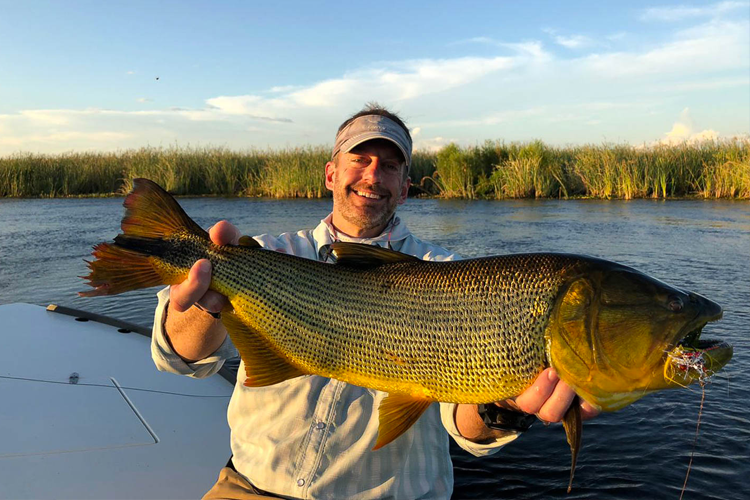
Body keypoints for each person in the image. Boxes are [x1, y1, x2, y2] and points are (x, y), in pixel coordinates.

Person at [151, 104, 599, 499]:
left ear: (404, 187)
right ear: (331, 173)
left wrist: (503, 408)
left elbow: (465, 431)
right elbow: (181, 359)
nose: (372, 175)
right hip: (251, 490)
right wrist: (207, 302)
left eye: (389, 166)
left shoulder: (455, 280)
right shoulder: (264, 255)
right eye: (360, 159)